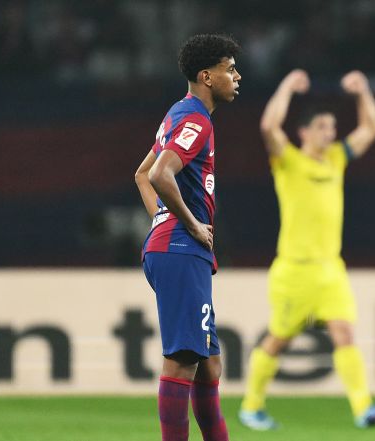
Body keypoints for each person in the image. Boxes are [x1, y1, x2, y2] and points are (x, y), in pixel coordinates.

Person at [238, 69, 375, 430]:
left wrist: (363, 91)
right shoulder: (288, 160)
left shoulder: (337, 158)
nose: (330, 133)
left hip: (330, 269)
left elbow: (372, 127)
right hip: (294, 270)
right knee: (278, 340)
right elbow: (268, 126)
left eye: (332, 127)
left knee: (344, 333)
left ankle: (364, 409)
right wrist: (285, 88)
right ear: (304, 132)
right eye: (323, 127)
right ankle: (251, 406)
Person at [134, 33, 241, 441]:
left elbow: (142, 174)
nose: (237, 76)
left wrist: (162, 221)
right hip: (181, 248)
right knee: (182, 361)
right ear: (207, 76)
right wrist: (190, 225)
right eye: (230, 69)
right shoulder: (196, 120)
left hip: (175, 247)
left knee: (209, 366)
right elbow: (160, 175)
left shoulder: (179, 114)